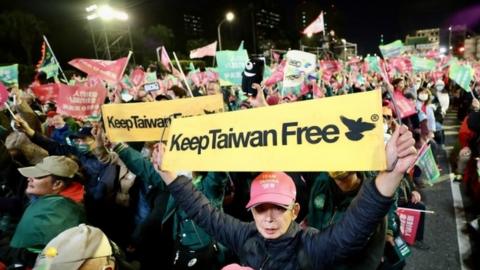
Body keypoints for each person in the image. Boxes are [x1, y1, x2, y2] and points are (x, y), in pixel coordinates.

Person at [151, 124, 417, 269]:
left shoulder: (311, 247)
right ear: (250, 211)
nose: (268, 218)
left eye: (279, 207)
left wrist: (390, 175)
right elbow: (204, 213)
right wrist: (168, 176)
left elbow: (354, 227)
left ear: (295, 209)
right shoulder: (245, 236)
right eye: (260, 208)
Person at [1, 155, 85, 268]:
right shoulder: (51, 199)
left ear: (57, 184)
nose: (29, 178)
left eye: (38, 176)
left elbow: (31, 258)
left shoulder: (58, 215)